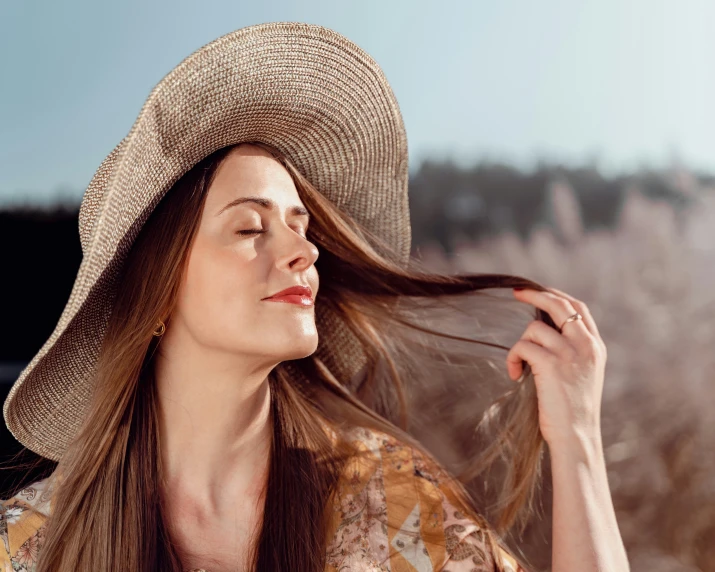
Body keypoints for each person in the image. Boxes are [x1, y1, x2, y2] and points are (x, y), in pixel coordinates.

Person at [0, 22, 628, 572]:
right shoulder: (32, 543)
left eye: (301, 227)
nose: (305, 251)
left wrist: (576, 438)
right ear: (156, 296)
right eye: (250, 228)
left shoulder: (389, 509)